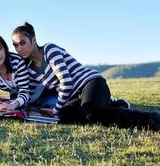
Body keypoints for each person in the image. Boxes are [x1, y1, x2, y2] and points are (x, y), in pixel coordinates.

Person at [12, 22, 160, 130]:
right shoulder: (29, 68)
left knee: (91, 114)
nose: (19, 49)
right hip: (75, 96)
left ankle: (151, 119)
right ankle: (115, 105)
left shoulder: (49, 50)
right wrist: (13, 105)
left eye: (23, 43)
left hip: (91, 82)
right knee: (65, 116)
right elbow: (29, 93)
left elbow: (66, 82)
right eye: (16, 45)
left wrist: (56, 108)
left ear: (33, 39)